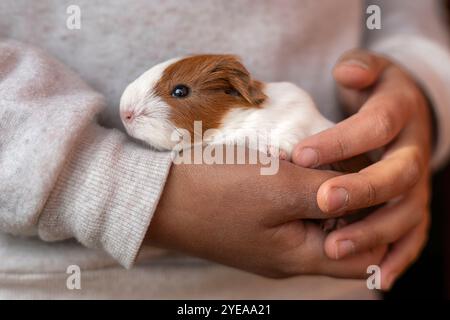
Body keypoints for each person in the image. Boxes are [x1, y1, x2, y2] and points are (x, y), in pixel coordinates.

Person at [0, 0, 449, 299]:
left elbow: (404, 12)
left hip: (327, 281)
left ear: (237, 92)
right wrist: (112, 186)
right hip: (52, 281)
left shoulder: (279, 115)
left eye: (177, 92)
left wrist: (419, 85)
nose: (130, 113)